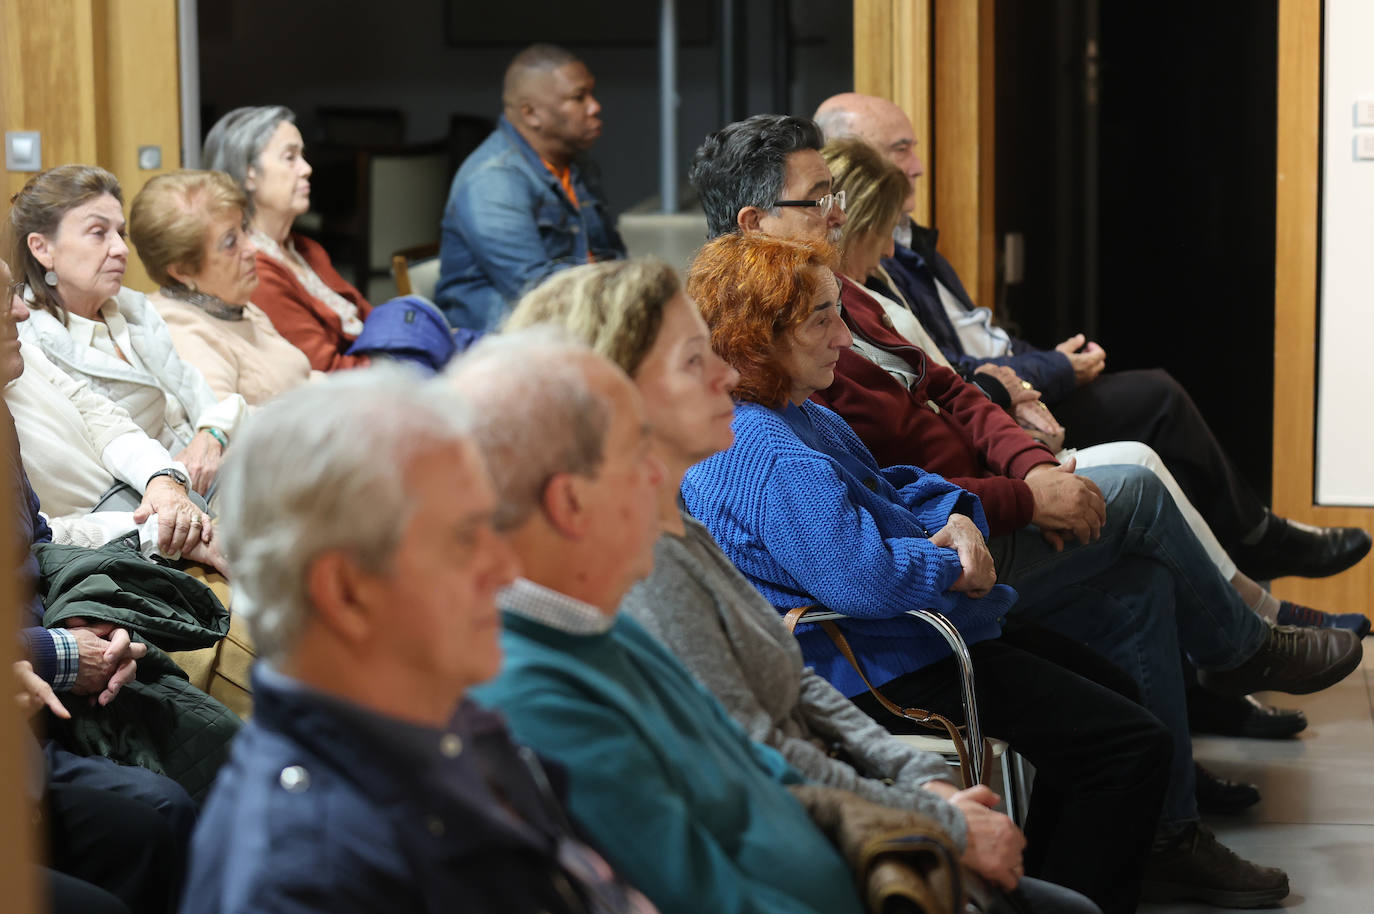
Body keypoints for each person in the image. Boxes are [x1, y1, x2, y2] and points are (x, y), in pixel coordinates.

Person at [682, 229, 1362, 908]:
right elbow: (863, 577)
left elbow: (892, 486)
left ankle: (1052, 889)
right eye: (821, 319)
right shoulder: (770, 451)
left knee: (1123, 705)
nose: (840, 335)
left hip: (908, 633)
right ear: (759, 335)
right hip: (880, 660)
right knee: (1127, 747)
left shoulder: (797, 413)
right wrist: (952, 567)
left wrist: (954, 519)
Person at [504, 257, 1101, 914]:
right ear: (615, 396)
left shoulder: (671, 527)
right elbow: (754, 769)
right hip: (867, 730)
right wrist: (931, 820)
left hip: (847, 794)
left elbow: (788, 686)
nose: (726, 375)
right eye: (693, 361)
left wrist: (915, 784)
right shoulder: (627, 583)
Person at [812, 91, 1371, 585]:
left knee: (1144, 461)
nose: (919, 166)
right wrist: (1032, 449)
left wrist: (1031, 443)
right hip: (979, 472)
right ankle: (1257, 587)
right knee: (1149, 430)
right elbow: (940, 408)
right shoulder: (836, 313)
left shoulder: (890, 264)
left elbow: (962, 369)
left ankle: (1247, 610)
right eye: (901, 149)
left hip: (1001, 428)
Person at [181, 367, 655, 914]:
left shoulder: (440, 715)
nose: (505, 568)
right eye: (464, 539)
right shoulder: (305, 880)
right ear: (347, 593)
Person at [9, 165, 248, 497]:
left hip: (220, 471)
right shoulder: (31, 347)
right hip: (160, 504)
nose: (120, 249)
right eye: (98, 232)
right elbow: (91, 476)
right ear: (42, 249)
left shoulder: (133, 310)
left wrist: (213, 435)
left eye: (120, 234)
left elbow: (201, 397)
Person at [4, 258, 220, 568]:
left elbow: (102, 416)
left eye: (13, 290)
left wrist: (162, 479)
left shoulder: (23, 353)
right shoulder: (33, 339)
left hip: (143, 506)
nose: (21, 310)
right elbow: (40, 537)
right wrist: (155, 531)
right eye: (2, 297)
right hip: (107, 554)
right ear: (42, 250)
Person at [435, 43, 626, 330]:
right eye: (579, 97)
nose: (595, 107)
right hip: (507, 346)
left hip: (578, 324)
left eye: (592, 93)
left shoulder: (578, 168)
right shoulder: (492, 180)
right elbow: (537, 290)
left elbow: (613, 258)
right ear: (530, 114)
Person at [202, 106, 373, 371]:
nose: (307, 169)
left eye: (303, 156)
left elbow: (368, 315)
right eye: (290, 157)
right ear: (249, 174)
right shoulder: (253, 268)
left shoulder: (304, 248)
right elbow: (325, 371)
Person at [129, 170, 318, 405]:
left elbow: (300, 379)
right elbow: (223, 429)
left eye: (244, 229)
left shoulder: (230, 304)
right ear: (183, 270)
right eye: (230, 242)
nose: (251, 248)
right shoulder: (180, 332)